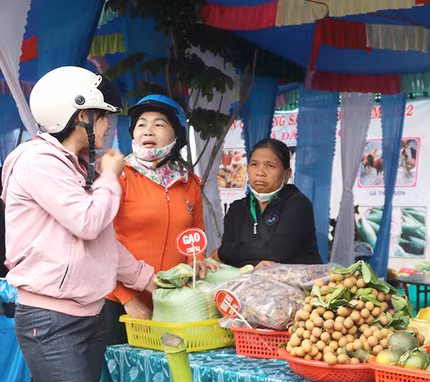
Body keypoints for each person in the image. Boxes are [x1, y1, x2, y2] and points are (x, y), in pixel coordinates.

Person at [2, 66, 156, 382]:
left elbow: (106, 247)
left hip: (85, 317)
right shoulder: (37, 162)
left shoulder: (75, 166)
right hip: (49, 320)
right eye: (103, 117)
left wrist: (157, 279)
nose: (111, 127)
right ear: (78, 115)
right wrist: (112, 177)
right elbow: (90, 222)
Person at [105, 95, 215, 325]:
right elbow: (101, 243)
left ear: (177, 134)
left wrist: (197, 258)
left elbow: (195, 229)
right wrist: (127, 299)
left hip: (173, 302)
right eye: (141, 124)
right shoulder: (118, 176)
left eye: (159, 124)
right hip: (118, 304)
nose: (148, 131)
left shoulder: (189, 182)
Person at [213, 138, 321, 267]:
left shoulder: (298, 204)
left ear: (287, 174)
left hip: (300, 283)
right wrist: (252, 264)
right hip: (250, 284)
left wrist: (224, 252)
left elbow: (275, 252)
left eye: (270, 166)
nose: (260, 172)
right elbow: (230, 262)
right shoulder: (236, 209)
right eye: (254, 164)